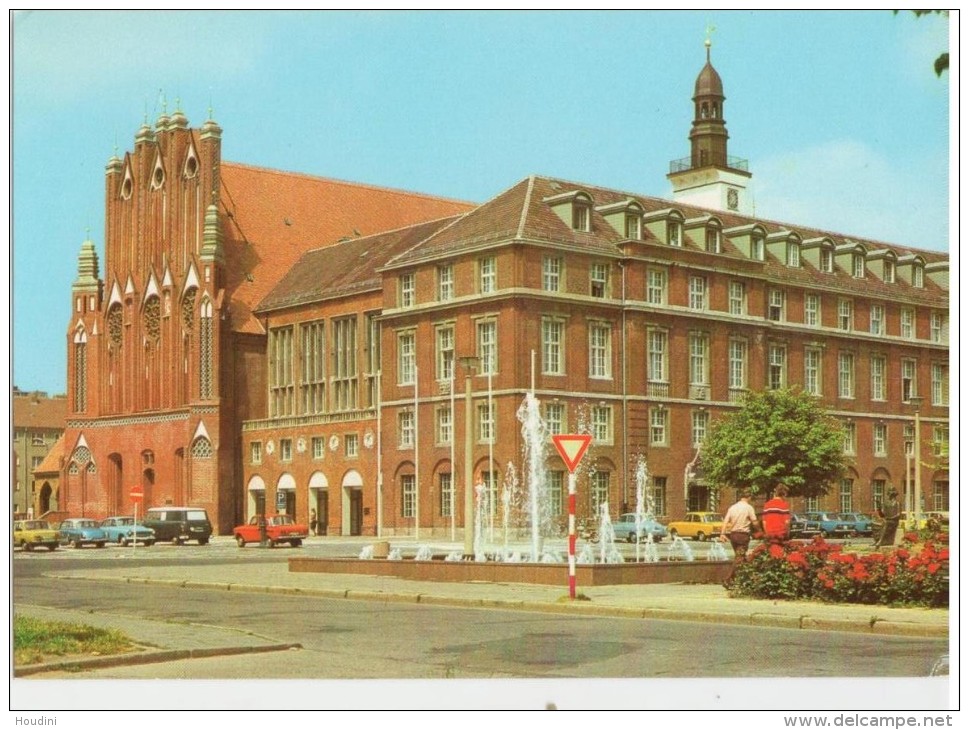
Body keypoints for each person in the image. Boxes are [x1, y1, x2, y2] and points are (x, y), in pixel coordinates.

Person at [720, 489, 761, 584]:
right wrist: (760, 530)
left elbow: (725, 521)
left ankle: (746, 578)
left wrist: (722, 533)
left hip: (733, 535)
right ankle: (728, 579)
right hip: (743, 535)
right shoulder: (749, 508)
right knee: (739, 557)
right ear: (749, 497)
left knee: (740, 557)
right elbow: (754, 522)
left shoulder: (732, 507)